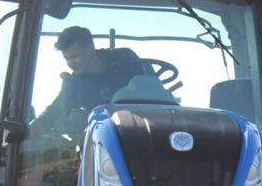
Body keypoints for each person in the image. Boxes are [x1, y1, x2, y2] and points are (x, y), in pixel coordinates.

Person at [33, 26, 166, 134]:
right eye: (66, 59)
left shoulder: (125, 57)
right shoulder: (74, 84)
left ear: (90, 47)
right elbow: (55, 111)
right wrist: (28, 132)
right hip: (106, 138)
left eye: (74, 57)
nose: (70, 64)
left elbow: (154, 89)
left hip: (147, 127)